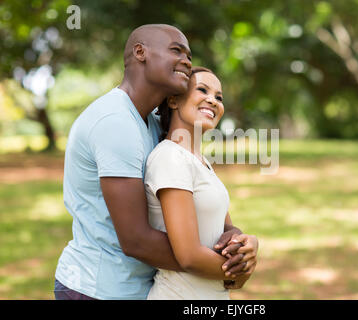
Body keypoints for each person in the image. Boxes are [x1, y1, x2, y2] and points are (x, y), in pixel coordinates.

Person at [54, 24, 258, 300]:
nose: (187, 61)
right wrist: (227, 270)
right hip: (97, 289)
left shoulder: (154, 125)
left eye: (189, 55)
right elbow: (137, 240)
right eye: (177, 50)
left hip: (140, 288)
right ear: (140, 52)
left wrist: (238, 244)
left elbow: (202, 213)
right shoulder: (114, 122)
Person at [145, 66, 257, 300]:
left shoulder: (201, 162)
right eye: (202, 90)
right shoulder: (170, 157)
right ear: (174, 100)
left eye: (219, 97)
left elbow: (224, 228)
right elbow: (189, 256)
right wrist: (240, 272)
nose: (213, 100)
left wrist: (245, 243)